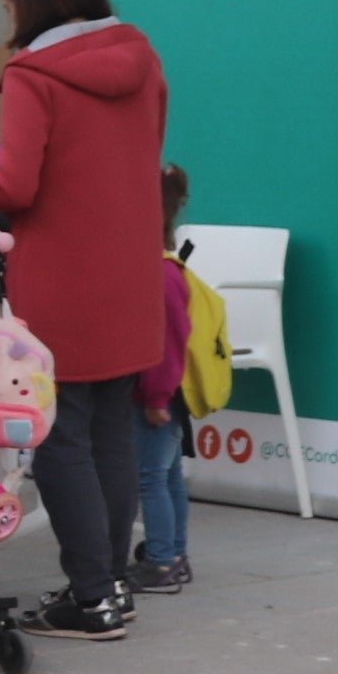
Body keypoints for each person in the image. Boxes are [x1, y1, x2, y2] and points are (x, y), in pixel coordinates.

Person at [0, 0, 168, 642]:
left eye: (8, 3)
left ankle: (90, 598)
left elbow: (14, 185)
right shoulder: (142, 57)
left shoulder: (33, 75)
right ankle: (111, 585)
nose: (8, 17)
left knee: (60, 437)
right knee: (110, 434)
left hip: (63, 280)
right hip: (130, 274)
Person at [130, 164, 206, 596]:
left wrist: (156, 397)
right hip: (167, 393)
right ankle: (175, 553)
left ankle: (160, 560)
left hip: (155, 397)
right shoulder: (168, 270)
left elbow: (167, 342)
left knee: (150, 478)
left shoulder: (159, 275)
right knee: (169, 474)